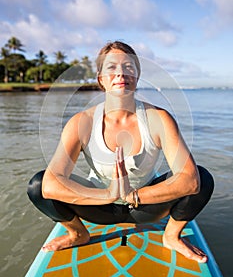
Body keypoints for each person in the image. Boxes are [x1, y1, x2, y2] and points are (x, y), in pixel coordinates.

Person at [28, 41, 214, 263]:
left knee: (202, 178)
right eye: (111, 67)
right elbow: (51, 184)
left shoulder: (159, 119)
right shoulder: (82, 122)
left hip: (145, 205)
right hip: (100, 207)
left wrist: (132, 195)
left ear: (137, 76)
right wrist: (109, 194)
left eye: (128, 67)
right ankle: (78, 233)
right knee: (38, 186)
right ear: (100, 79)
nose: (121, 73)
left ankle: (172, 236)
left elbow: (190, 180)